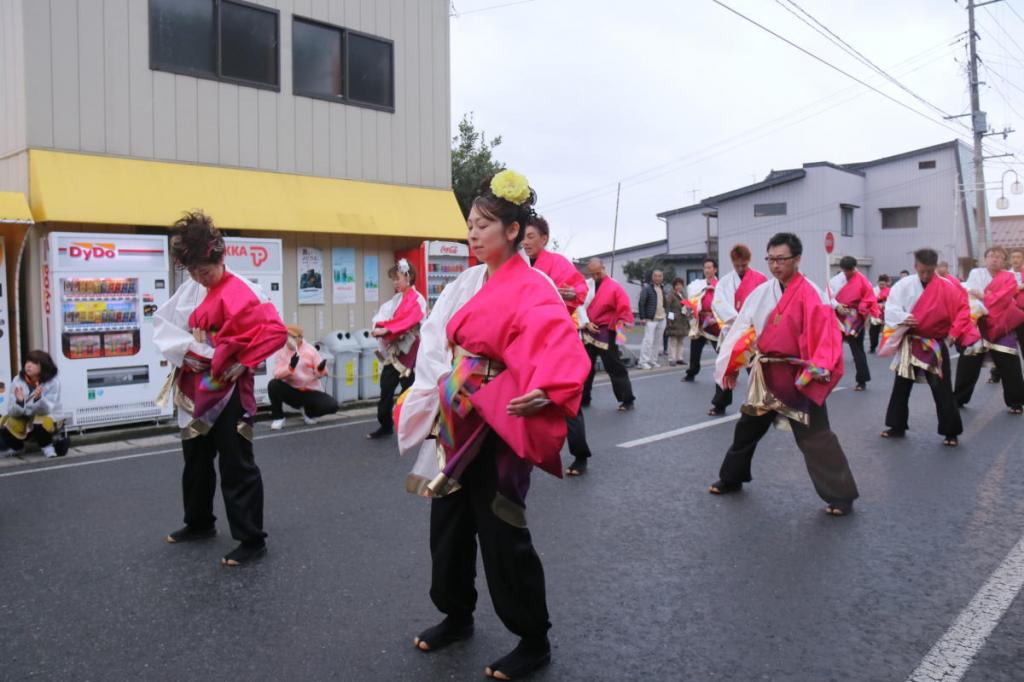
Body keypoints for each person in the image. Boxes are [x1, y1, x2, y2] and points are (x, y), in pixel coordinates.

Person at [395, 171, 590, 680]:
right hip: (458, 411)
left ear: (512, 230)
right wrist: (435, 387)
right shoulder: (465, 283)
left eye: (483, 225)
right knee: (448, 520)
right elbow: (436, 338)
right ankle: (456, 613)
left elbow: (557, 344)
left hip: (502, 417)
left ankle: (533, 638)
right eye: (470, 225)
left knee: (502, 527)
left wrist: (547, 387)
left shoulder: (535, 285)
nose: (473, 234)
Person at [153, 211, 287, 567]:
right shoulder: (189, 290)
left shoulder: (245, 290)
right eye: (193, 272)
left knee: (236, 461)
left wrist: (244, 361)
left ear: (219, 258)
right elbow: (163, 325)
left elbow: (272, 331)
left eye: (205, 272)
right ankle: (199, 522)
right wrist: (188, 351)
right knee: (195, 458)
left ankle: (251, 538)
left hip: (229, 386)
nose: (200, 278)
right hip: (195, 384)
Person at [708, 232, 859, 516]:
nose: (775, 265)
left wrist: (820, 367)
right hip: (766, 372)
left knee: (815, 436)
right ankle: (732, 477)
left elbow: (826, 336)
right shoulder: (762, 292)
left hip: (800, 375)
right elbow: (742, 328)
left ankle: (841, 495)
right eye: (771, 259)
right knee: (747, 428)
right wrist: (731, 364)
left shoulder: (812, 293)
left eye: (781, 259)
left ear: (797, 259)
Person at [878, 249, 979, 447]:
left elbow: (962, 310)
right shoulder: (904, 285)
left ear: (935, 268)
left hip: (934, 343)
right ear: (915, 266)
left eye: (930, 271)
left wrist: (954, 333)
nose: (925, 275)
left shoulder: (947, 287)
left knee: (941, 388)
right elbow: (892, 308)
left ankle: (951, 432)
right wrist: (903, 317)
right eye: (922, 271)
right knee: (901, 386)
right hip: (911, 341)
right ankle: (897, 426)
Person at [521, 215, 594, 476]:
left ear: (544, 239)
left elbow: (579, 288)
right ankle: (523, 455)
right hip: (526, 342)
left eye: (531, 236)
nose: (526, 242)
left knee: (565, 398)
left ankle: (580, 454)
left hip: (556, 341)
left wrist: (573, 294)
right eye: (523, 237)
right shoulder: (516, 263)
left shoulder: (557, 263)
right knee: (521, 399)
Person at [953, 246, 1024, 414]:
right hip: (978, 324)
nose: (994, 259)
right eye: (991, 256)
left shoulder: (1010, 276)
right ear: (985, 259)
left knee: (1010, 363)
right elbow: (971, 295)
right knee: (968, 361)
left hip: (1002, 326)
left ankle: (1016, 402)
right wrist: (986, 300)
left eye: (998, 256)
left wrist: (984, 296)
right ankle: (959, 399)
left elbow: (1005, 298)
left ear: (1004, 261)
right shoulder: (976, 273)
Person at [367, 259, 428, 439]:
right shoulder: (396, 299)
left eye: (397, 278)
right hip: (395, 350)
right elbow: (384, 315)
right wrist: (378, 327)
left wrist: (386, 329)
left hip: (411, 351)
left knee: (408, 391)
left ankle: (407, 425)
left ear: (408, 277)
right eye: (393, 279)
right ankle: (386, 424)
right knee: (386, 387)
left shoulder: (417, 299)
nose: (394, 283)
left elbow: (408, 320)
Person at [707, 244, 767, 415]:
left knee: (756, 368)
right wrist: (738, 320)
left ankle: (761, 401)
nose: (740, 268)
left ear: (749, 261)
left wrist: (749, 322)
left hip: (752, 332)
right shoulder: (725, 282)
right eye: (737, 265)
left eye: (744, 265)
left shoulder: (761, 279)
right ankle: (720, 404)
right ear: (732, 262)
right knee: (726, 367)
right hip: (732, 330)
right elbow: (718, 303)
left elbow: (766, 303)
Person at [580, 257, 637, 411]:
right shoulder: (587, 285)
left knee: (614, 366)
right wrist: (586, 322)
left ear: (603, 268)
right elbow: (579, 305)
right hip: (588, 330)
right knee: (585, 367)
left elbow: (623, 310)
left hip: (606, 331)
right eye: (592, 274)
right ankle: (584, 398)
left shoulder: (614, 287)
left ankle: (627, 399)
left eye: (598, 273)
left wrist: (620, 338)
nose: (595, 277)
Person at [267, 325, 337, 430]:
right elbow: (276, 374)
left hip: (310, 390)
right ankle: (278, 418)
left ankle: (309, 413)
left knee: (333, 405)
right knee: (273, 384)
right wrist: (290, 368)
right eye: (287, 336)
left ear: (300, 338)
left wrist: (320, 369)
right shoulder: (281, 351)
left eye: (293, 337)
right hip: (292, 391)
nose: (289, 340)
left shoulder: (311, 350)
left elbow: (321, 374)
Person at [827, 256, 881, 391]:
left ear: (854, 268)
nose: (847, 273)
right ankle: (828, 378)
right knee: (832, 348)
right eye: (845, 271)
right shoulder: (835, 280)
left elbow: (869, 299)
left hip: (854, 317)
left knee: (857, 349)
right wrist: (837, 305)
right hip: (838, 316)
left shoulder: (863, 281)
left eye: (850, 270)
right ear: (842, 269)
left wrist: (860, 308)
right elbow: (827, 296)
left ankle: (861, 381)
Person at [0, 350, 63, 458]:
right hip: (26, 417)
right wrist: (20, 402)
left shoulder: (53, 382)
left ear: (43, 366)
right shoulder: (17, 380)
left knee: (39, 420)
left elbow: (47, 409)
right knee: (7, 421)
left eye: (34, 363)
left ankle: (48, 447)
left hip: (50, 417)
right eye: (27, 362)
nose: (28, 365)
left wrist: (38, 399)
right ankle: (16, 447)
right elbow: (11, 411)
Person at [682, 258, 719, 382]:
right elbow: (691, 301)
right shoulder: (697, 285)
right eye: (705, 268)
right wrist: (689, 309)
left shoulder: (720, 285)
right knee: (695, 351)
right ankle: (691, 373)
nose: (707, 270)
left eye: (709, 267)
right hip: (700, 323)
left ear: (715, 270)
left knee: (721, 350)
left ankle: (729, 373)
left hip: (714, 323)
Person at [637, 269, 670, 369]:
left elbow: (665, 303)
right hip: (650, 319)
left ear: (662, 277)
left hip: (662, 318)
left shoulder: (662, 289)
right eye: (655, 276)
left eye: (660, 276)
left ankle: (652, 360)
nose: (657, 278)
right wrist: (642, 317)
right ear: (652, 277)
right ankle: (642, 362)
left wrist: (667, 315)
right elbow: (641, 303)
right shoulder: (647, 289)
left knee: (657, 341)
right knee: (648, 341)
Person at [664, 278, 690, 366]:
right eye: (677, 285)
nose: (679, 286)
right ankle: (672, 359)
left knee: (680, 341)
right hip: (674, 320)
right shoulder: (671, 295)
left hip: (682, 320)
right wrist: (670, 320)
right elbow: (668, 308)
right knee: (673, 341)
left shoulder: (683, 295)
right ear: (674, 286)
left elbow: (687, 306)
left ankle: (679, 358)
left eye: (680, 285)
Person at [869, 275, 892, 353]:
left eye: (883, 284)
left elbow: (891, 301)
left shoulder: (889, 290)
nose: (881, 286)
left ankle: (886, 347)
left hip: (886, 312)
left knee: (887, 331)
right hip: (876, 312)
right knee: (873, 330)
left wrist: (885, 304)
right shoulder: (874, 290)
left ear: (886, 284)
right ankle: (873, 346)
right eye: (880, 284)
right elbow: (870, 300)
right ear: (878, 282)